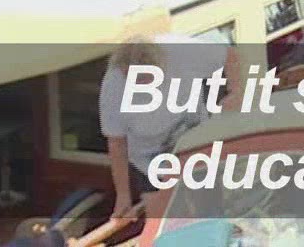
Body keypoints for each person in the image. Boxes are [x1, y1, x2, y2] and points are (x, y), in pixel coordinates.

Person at [100, 34, 240, 224]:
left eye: (147, 77)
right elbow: (117, 144)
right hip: (148, 159)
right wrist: (123, 196)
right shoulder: (113, 87)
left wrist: (236, 91)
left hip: (193, 141)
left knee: (209, 209)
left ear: (160, 62)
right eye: (134, 79)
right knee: (161, 221)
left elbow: (229, 55)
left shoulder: (181, 51)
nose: (142, 85)